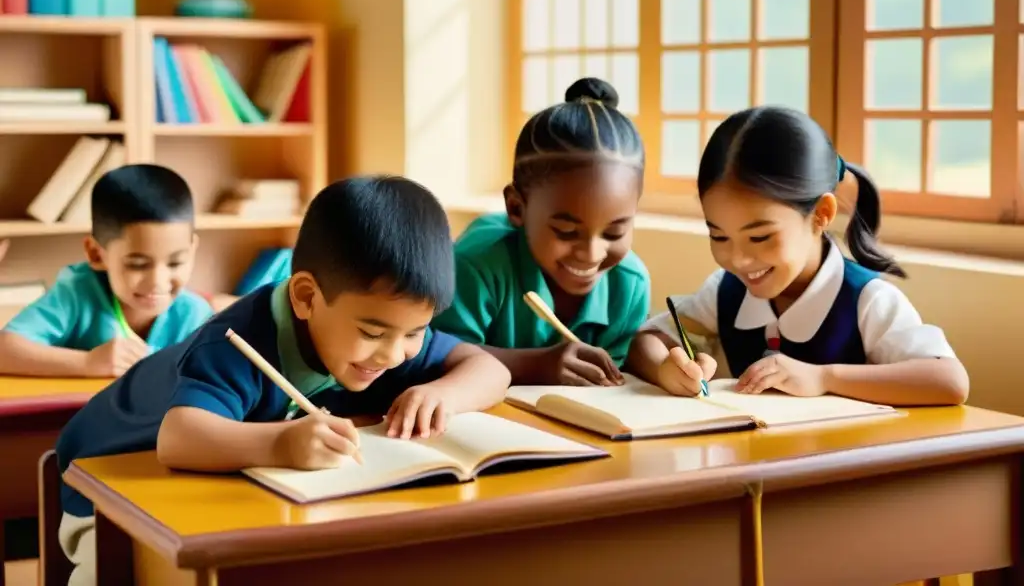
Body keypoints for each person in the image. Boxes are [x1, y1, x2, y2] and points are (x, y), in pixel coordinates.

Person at [55, 175, 511, 586]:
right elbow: (179, 438)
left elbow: (490, 369)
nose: (394, 355)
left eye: (415, 333)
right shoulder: (232, 344)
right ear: (307, 297)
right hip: (107, 487)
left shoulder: (382, 325)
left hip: (218, 496)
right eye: (373, 333)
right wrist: (283, 444)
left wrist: (441, 392)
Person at [629, 106, 969, 405]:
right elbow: (649, 338)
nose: (739, 259)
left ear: (821, 214)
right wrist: (666, 367)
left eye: (760, 236)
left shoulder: (866, 300)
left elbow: (950, 381)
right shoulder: (725, 291)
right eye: (719, 236)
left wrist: (824, 378)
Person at [432, 78, 651, 386]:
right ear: (517, 208)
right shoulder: (475, 266)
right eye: (566, 231)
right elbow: (429, 355)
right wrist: (533, 366)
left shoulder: (628, 284)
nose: (591, 253)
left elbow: (612, 382)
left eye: (615, 233)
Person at [0, 164, 211, 377]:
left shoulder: (195, 315)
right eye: (137, 264)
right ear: (96, 254)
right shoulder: (76, 294)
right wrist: (87, 363)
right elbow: (4, 350)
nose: (158, 281)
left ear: (192, 250)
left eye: (175, 263)